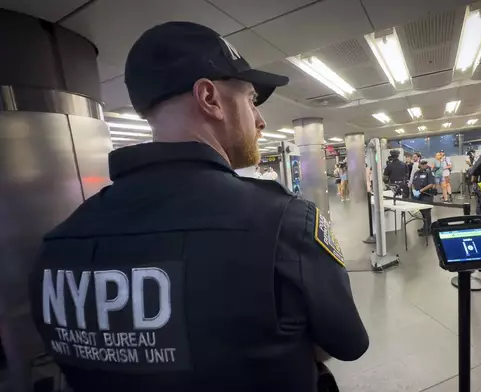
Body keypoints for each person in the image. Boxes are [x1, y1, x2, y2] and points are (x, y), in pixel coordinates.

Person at [28, 21, 368, 392]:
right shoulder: (283, 221)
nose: (260, 120)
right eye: (251, 100)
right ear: (210, 98)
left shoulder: (58, 246)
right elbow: (348, 343)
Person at [411, 159, 436, 236]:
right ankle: (425, 226)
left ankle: (428, 229)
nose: (424, 165)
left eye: (425, 163)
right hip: (419, 196)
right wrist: (414, 190)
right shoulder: (416, 173)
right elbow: (413, 183)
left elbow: (431, 184)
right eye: (422, 164)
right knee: (422, 213)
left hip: (426, 195)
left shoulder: (429, 172)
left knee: (426, 213)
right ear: (419, 164)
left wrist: (420, 191)